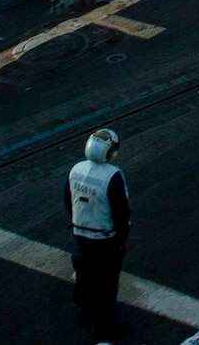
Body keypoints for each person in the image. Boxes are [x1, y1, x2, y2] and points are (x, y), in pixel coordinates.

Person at [66, 127, 131, 337]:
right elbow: (121, 210)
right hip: (105, 238)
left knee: (85, 274)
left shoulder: (76, 169)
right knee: (106, 286)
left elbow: (68, 200)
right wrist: (122, 237)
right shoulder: (112, 176)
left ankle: (84, 311)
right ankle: (103, 331)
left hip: (80, 234)